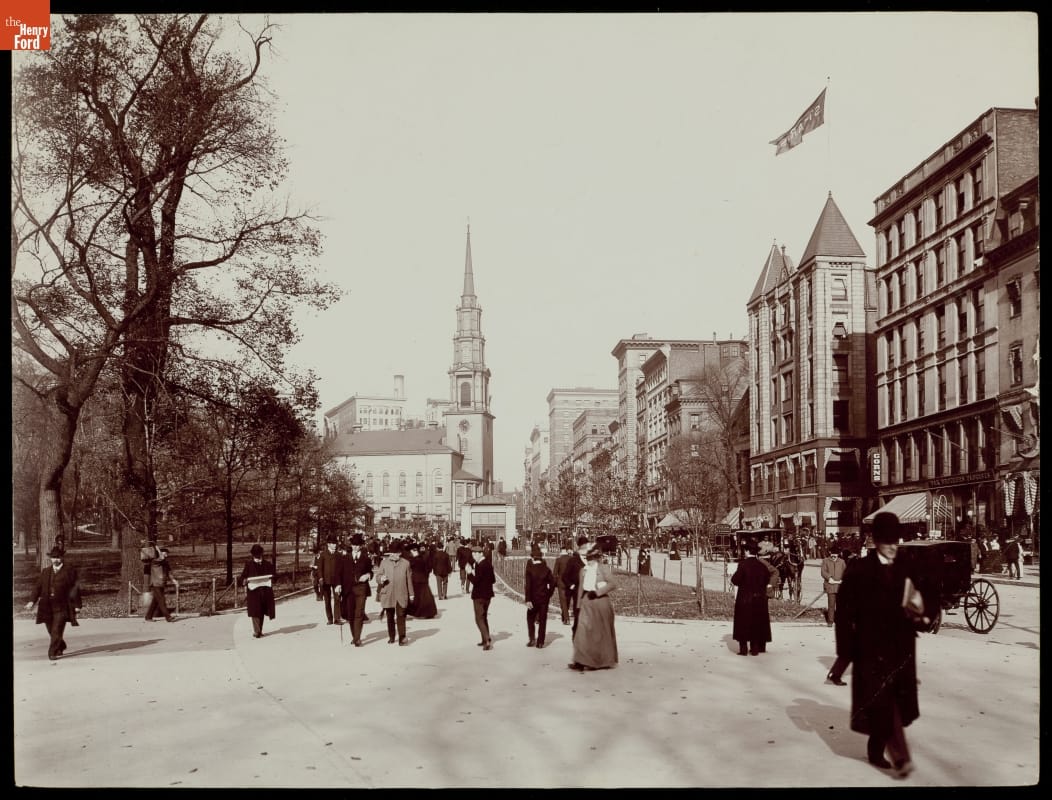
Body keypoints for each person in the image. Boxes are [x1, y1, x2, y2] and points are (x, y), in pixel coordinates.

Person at [836, 511, 921, 778]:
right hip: (870, 648)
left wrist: (920, 611)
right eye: (887, 542)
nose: (893, 546)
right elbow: (844, 613)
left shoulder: (907, 566)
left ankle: (877, 748)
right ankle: (901, 758)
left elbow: (922, 598)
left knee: (890, 702)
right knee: (885, 702)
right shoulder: (858, 570)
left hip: (900, 648)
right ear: (875, 541)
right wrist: (846, 651)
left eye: (896, 541)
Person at [25, 546, 81, 661]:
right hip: (46, 606)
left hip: (62, 606)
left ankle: (52, 652)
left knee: (56, 629)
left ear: (62, 557)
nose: (55, 560)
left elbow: (75, 589)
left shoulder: (70, 571)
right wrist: (31, 601)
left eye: (58, 557)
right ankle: (60, 645)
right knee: (51, 629)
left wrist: (77, 606)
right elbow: (37, 588)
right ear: (50, 559)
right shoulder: (45, 571)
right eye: (53, 558)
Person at [568, 543, 618, 671]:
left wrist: (597, 592)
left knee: (598, 634)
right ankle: (580, 661)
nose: (589, 561)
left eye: (591, 559)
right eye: (587, 558)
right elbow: (580, 588)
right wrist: (578, 606)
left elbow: (613, 584)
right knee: (582, 631)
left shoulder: (603, 569)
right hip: (586, 603)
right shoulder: (583, 571)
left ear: (596, 559)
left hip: (600, 603)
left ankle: (599, 661)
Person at [730, 541, 772, 656]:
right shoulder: (762, 566)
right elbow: (767, 579)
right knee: (756, 623)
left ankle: (743, 649)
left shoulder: (743, 565)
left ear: (747, 551)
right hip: (759, 599)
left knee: (743, 623)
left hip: (745, 598)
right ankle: (755, 649)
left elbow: (735, 580)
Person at [336, 533, 373, 647]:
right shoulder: (344, 558)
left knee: (359, 613)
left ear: (361, 546)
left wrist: (367, 575)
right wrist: (338, 585)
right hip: (348, 590)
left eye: (358, 545)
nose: (356, 547)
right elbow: (339, 573)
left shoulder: (366, 558)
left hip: (361, 589)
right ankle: (354, 636)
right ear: (351, 545)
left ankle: (357, 638)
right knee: (351, 615)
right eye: (354, 545)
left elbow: (370, 571)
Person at [376, 540, 413, 645]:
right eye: (392, 553)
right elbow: (377, 576)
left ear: (400, 553)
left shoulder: (406, 563)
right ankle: (392, 636)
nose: (393, 555)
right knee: (390, 616)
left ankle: (402, 637)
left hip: (401, 593)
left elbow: (409, 580)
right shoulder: (384, 562)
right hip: (388, 593)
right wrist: (381, 578)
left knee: (401, 615)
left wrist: (412, 594)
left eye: (396, 553)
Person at [238, 543, 276, 638]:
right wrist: (244, 580)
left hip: (265, 591)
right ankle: (257, 631)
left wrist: (272, 578)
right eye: (255, 554)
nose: (257, 556)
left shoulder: (267, 564)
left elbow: (275, 576)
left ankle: (259, 630)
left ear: (261, 553)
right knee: (255, 611)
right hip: (253, 592)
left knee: (262, 611)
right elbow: (243, 576)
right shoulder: (249, 565)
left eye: (259, 554)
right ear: (252, 555)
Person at [523, 543, 555, 648]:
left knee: (530, 618)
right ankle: (540, 642)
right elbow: (553, 583)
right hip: (544, 598)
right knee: (542, 619)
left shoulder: (530, 570)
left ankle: (532, 638)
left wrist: (528, 599)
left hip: (533, 599)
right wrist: (548, 594)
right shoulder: (546, 569)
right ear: (541, 558)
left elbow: (528, 586)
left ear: (532, 557)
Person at [468, 543, 496, 650]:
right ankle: (484, 639)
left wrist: (470, 573)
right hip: (488, 596)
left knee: (479, 618)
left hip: (479, 596)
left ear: (480, 554)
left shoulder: (480, 565)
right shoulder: (488, 564)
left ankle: (487, 639)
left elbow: (476, 581)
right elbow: (493, 580)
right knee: (484, 617)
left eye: (475, 554)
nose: (473, 557)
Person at [144, 545, 177, 622]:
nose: (166, 554)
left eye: (167, 553)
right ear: (160, 553)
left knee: (155, 601)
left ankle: (148, 616)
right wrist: (158, 550)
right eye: (165, 553)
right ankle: (168, 617)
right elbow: (160, 559)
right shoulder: (155, 561)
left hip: (161, 584)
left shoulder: (165, 562)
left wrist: (174, 580)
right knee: (162, 600)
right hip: (156, 584)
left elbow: (169, 573)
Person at [317, 534, 343, 625]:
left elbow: (342, 569)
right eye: (332, 543)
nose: (334, 545)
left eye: (335, 543)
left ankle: (337, 618)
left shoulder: (339, 555)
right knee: (327, 600)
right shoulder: (323, 555)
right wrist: (320, 578)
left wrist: (341, 581)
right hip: (326, 581)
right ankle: (329, 619)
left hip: (337, 581)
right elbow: (319, 568)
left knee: (337, 599)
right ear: (328, 544)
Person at [407, 542, 437, 619]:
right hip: (423, 579)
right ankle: (428, 612)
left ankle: (415, 611)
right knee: (424, 596)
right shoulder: (422, 558)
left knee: (415, 596)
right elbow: (427, 568)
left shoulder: (413, 560)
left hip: (415, 579)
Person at [566, 535, 589, 635]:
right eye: (584, 546)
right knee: (578, 614)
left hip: (589, 592)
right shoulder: (573, 560)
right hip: (577, 592)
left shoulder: (591, 559)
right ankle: (576, 632)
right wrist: (571, 586)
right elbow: (565, 576)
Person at [821, 549, 847, 628]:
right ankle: (830, 621)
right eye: (832, 555)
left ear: (838, 555)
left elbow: (846, 571)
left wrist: (844, 579)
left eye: (835, 555)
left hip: (840, 587)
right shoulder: (826, 561)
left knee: (840, 605)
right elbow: (823, 572)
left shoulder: (842, 562)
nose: (833, 556)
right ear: (830, 553)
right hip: (830, 586)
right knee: (831, 605)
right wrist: (829, 578)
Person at [552, 542, 574, 625]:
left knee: (563, 601)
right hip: (570, 583)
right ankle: (564, 617)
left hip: (561, 583)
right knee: (567, 600)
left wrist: (554, 583)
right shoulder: (571, 559)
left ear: (561, 551)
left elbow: (554, 574)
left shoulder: (558, 560)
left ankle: (567, 619)